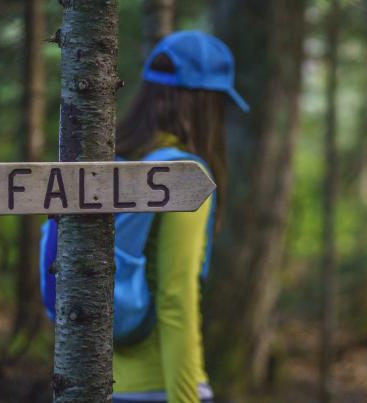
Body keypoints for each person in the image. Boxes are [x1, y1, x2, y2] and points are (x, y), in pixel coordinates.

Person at [112, 31, 248, 403]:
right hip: (161, 386)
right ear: (204, 103)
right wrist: (187, 397)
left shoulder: (108, 165)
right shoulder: (184, 178)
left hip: (92, 377)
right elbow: (176, 296)